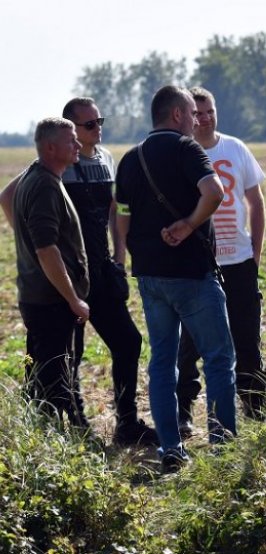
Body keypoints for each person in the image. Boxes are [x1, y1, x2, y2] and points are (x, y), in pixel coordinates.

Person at [1, 98, 159, 447]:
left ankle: (127, 422)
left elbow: (115, 208)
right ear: (69, 130)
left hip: (99, 271)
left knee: (128, 342)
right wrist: (33, 247)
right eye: (88, 125)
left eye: (98, 121)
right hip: (65, 276)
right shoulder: (51, 167)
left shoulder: (105, 159)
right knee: (69, 355)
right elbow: (8, 196)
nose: (96, 128)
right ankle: (74, 425)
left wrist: (118, 255)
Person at [115, 85, 236, 473]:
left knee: (162, 362)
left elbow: (121, 215)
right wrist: (187, 224)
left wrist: (129, 254)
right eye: (193, 114)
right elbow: (214, 192)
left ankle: (170, 448)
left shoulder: (130, 159)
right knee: (219, 359)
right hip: (192, 274)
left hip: (150, 277)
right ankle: (223, 448)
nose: (198, 120)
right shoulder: (188, 150)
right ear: (178, 115)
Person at [176, 87, 266, 437]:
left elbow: (256, 204)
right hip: (199, 265)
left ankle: (255, 410)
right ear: (185, 116)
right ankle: (184, 412)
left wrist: (254, 254)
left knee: (247, 341)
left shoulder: (235, 148)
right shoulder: (182, 153)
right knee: (191, 344)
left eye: (210, 111)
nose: (205, 118)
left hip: (239, 262)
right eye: (197, 113)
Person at [9, 118, 90, 430]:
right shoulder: (44, 185)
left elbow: (6, 198)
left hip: (38, 297)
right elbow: (47, 249)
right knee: (54, 380)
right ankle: (56, 446)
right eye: (71, 141)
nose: (78, 146)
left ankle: (39, 436)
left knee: (40, 374)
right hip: (51, 301)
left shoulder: (37, 176)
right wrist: (73, 299)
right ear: (51, 147)